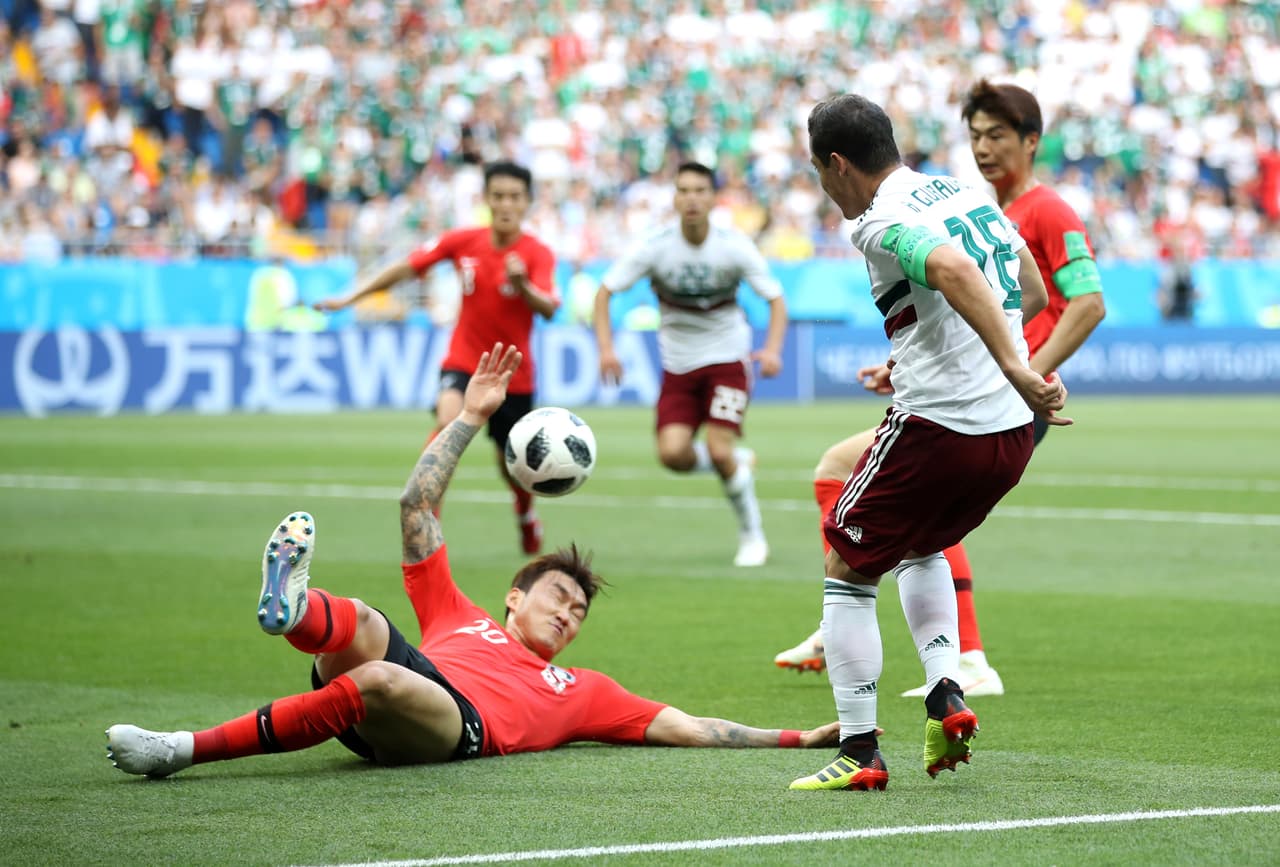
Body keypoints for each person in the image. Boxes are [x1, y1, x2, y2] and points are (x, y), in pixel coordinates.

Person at [105, 343, 841, 779]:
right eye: (557, 594)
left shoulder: (581, 688)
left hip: (458, 725)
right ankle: (297, 615)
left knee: (385, 674)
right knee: (362, 620)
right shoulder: (456, 613)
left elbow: (689, 725)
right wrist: (470, 419)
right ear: (513, 598)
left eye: (579, 611)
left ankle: (182, 748)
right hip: (408, 681)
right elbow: (415, 508)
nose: (568, 613)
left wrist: (795, 738)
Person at [773, 80, 1105, 697]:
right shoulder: (967, 195)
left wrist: (1018, 366)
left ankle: (863, 717)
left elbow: (1077, 300)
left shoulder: (893, 220)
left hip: (970, 405)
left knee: (859, 543)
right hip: (1002, 407)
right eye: (975, 133)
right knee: (922, 532)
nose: (982, 146)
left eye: (996, 134)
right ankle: (949, 670)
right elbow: (1022, 294)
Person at [314, 162, 560, 555]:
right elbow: (406, 268)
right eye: (498, 196)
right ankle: (426, 519)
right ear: (486, 199)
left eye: (515, 197)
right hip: (464, 362)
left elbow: (548, 306)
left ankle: (525, 515)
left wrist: (522, 285)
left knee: (511, 464)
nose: (506, 204)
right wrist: (349, 297)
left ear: (527, 202)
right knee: (448, 422)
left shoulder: (537, 253)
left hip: (513, 374)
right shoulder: (463, 241)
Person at [592, 161, 788, 567]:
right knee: (672, 454)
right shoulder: (655, 246)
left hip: (727, 358)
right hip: (677, 365)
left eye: (700, 190)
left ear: (713, 197)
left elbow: (776, 299)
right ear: (675, 198)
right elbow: (605, 292)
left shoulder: (733, 245)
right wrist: (606, 350)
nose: (692, 198)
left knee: (718, 449)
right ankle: (738, 462)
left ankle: (752, 535)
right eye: (684, 190)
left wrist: (771, 350)